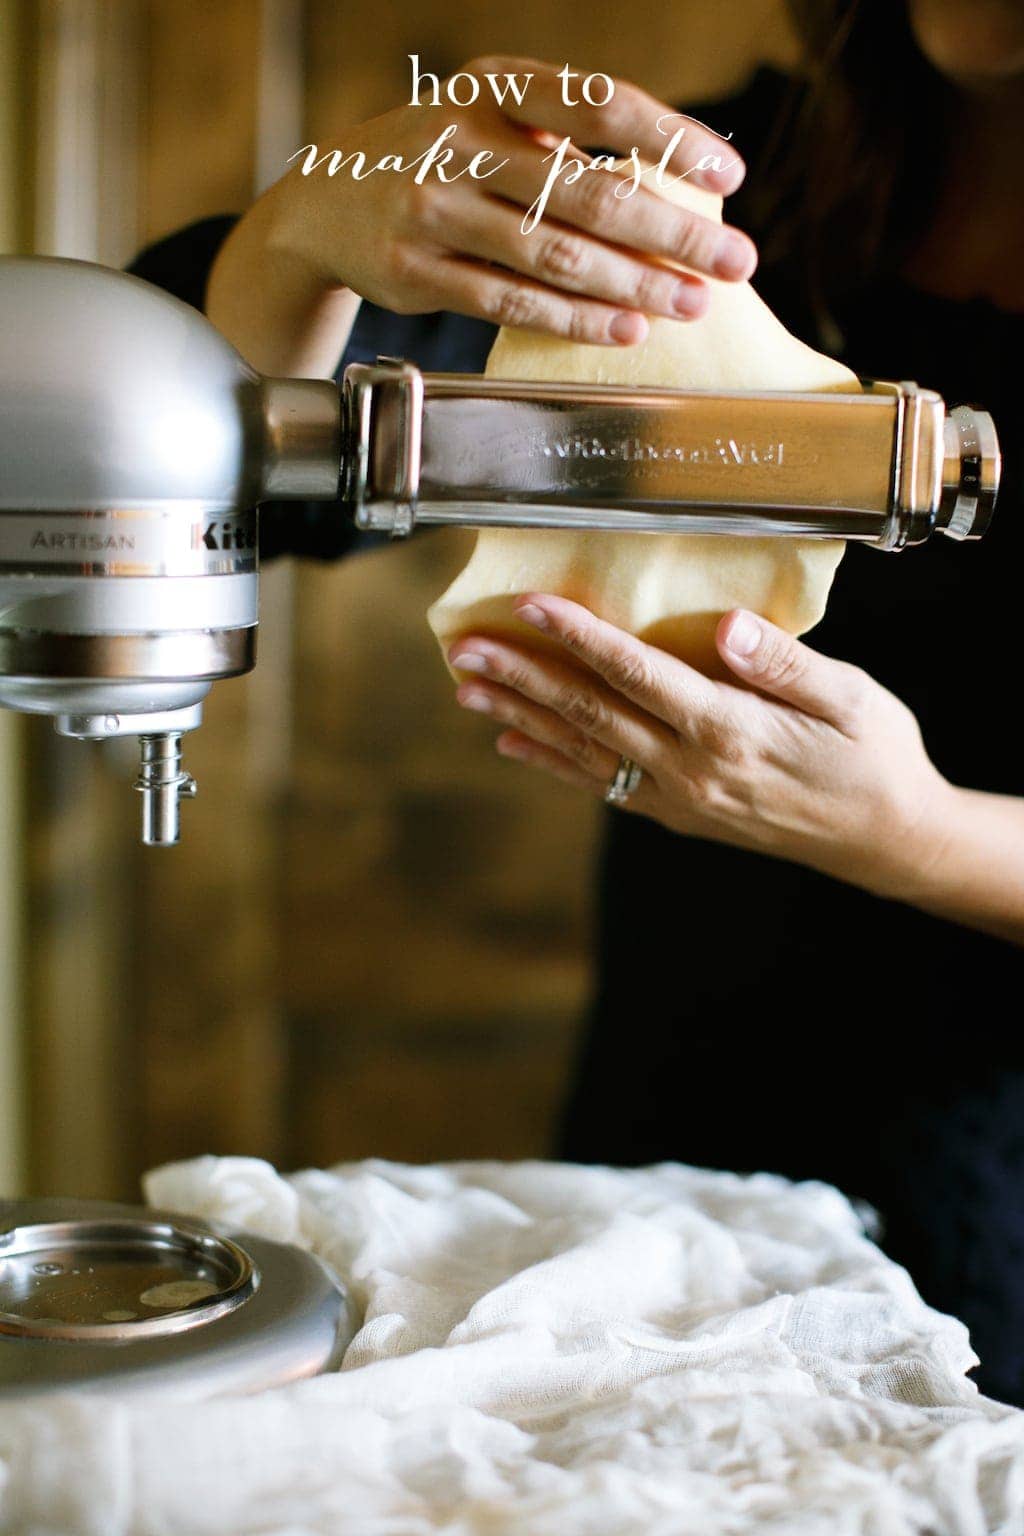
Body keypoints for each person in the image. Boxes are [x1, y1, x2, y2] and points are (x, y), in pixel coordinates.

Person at [130, 0, 1024, 1404]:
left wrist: (913, 832)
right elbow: (221, 454)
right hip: (661, 1155)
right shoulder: (737, 184)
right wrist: (308, 223)